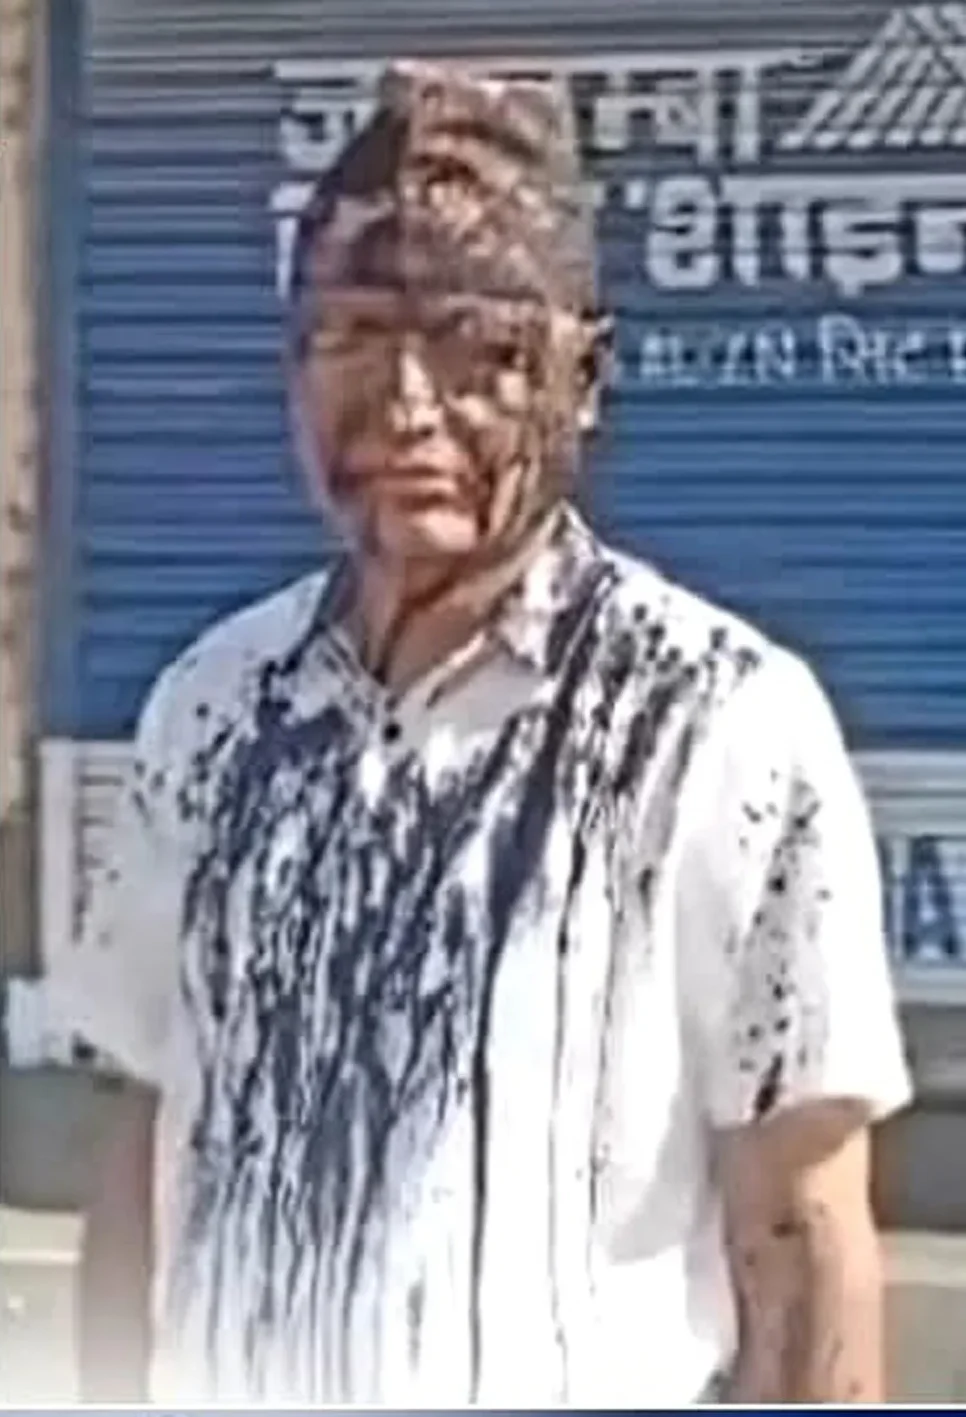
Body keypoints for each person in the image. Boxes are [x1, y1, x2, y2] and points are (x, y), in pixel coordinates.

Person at [62, 60, 911, 1406]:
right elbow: (143, 1154)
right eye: (353, 334)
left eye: (477, 349)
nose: (407, 403)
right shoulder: (210, 712)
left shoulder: (718, 724)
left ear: (585, 376)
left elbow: (799, 1230)